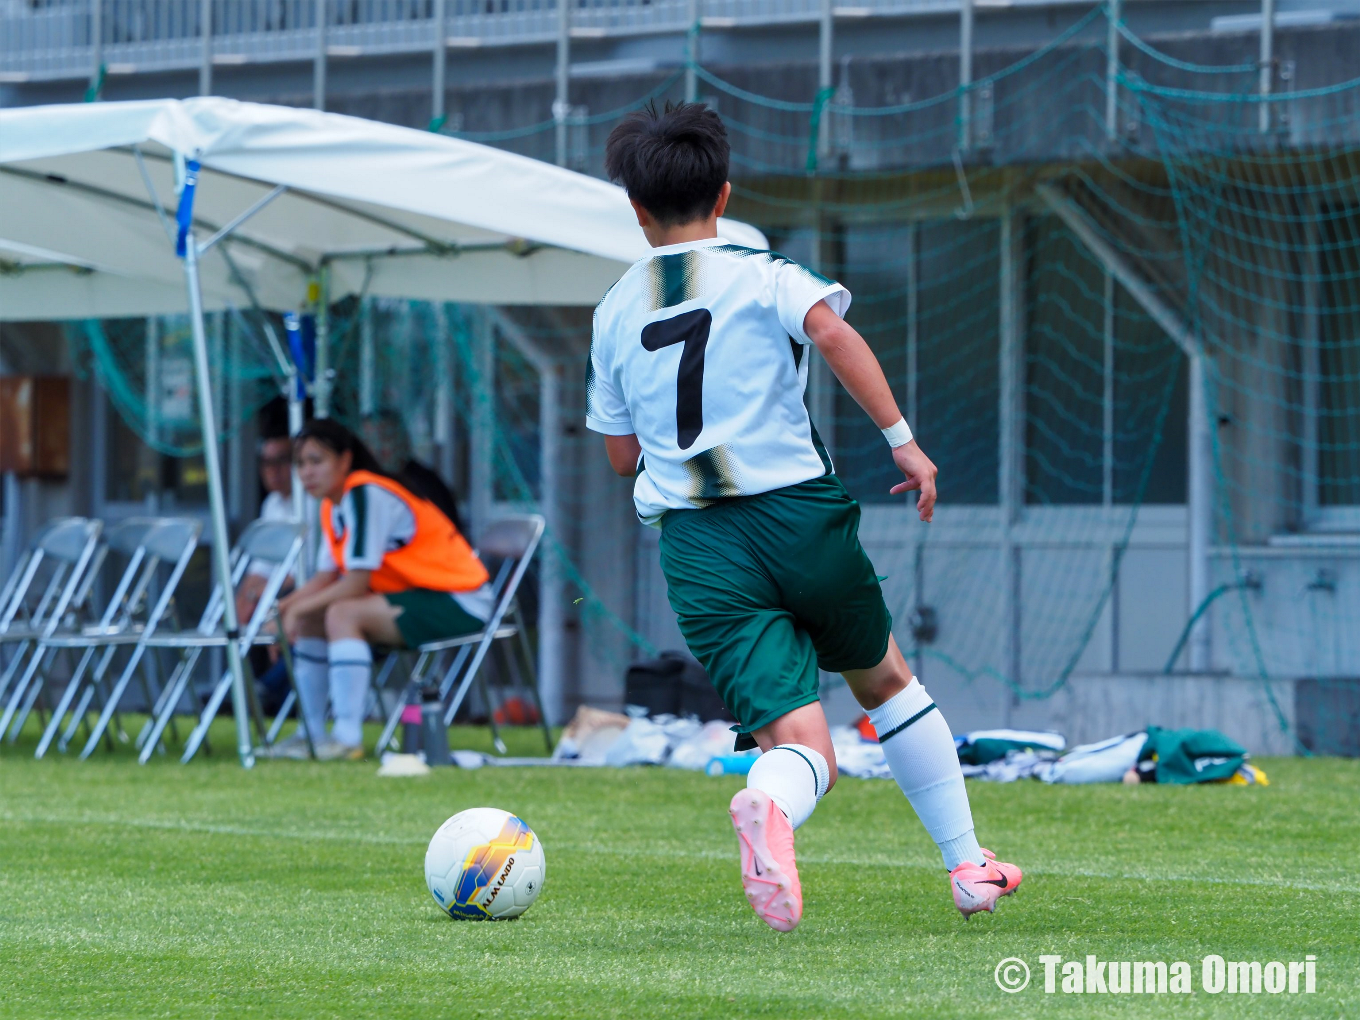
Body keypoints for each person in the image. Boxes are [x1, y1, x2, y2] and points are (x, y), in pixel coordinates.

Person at [589, 102, 1022, 930]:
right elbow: (830, 331)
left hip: (700, 544)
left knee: (801, 741)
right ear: (723, 194)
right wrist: (903, 443)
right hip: (799, 519)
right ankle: (968, 867)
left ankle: (773, 804)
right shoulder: (764, 270)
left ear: (637, 210)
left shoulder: (613, 311)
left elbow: (618, 457)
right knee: (887, 682)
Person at [270, 419, 494, 760]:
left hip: (460, 600)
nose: (306, 472)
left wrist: (299, 607)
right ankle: (311, 735)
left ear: (345, 460)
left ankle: (346, 737)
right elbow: (326, 577)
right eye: (300, 463)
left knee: (341, 613)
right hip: (416, 598)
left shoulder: (364, 492)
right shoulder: (333, 504)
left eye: (317, 461)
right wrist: (283, 610)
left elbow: (356, 582)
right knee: (309, 621)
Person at [359, 409, 466, 535]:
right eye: (368, 442)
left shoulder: (425, 486)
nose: (376, 449)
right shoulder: (360, 486)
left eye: (385, 439)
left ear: (404, 442)